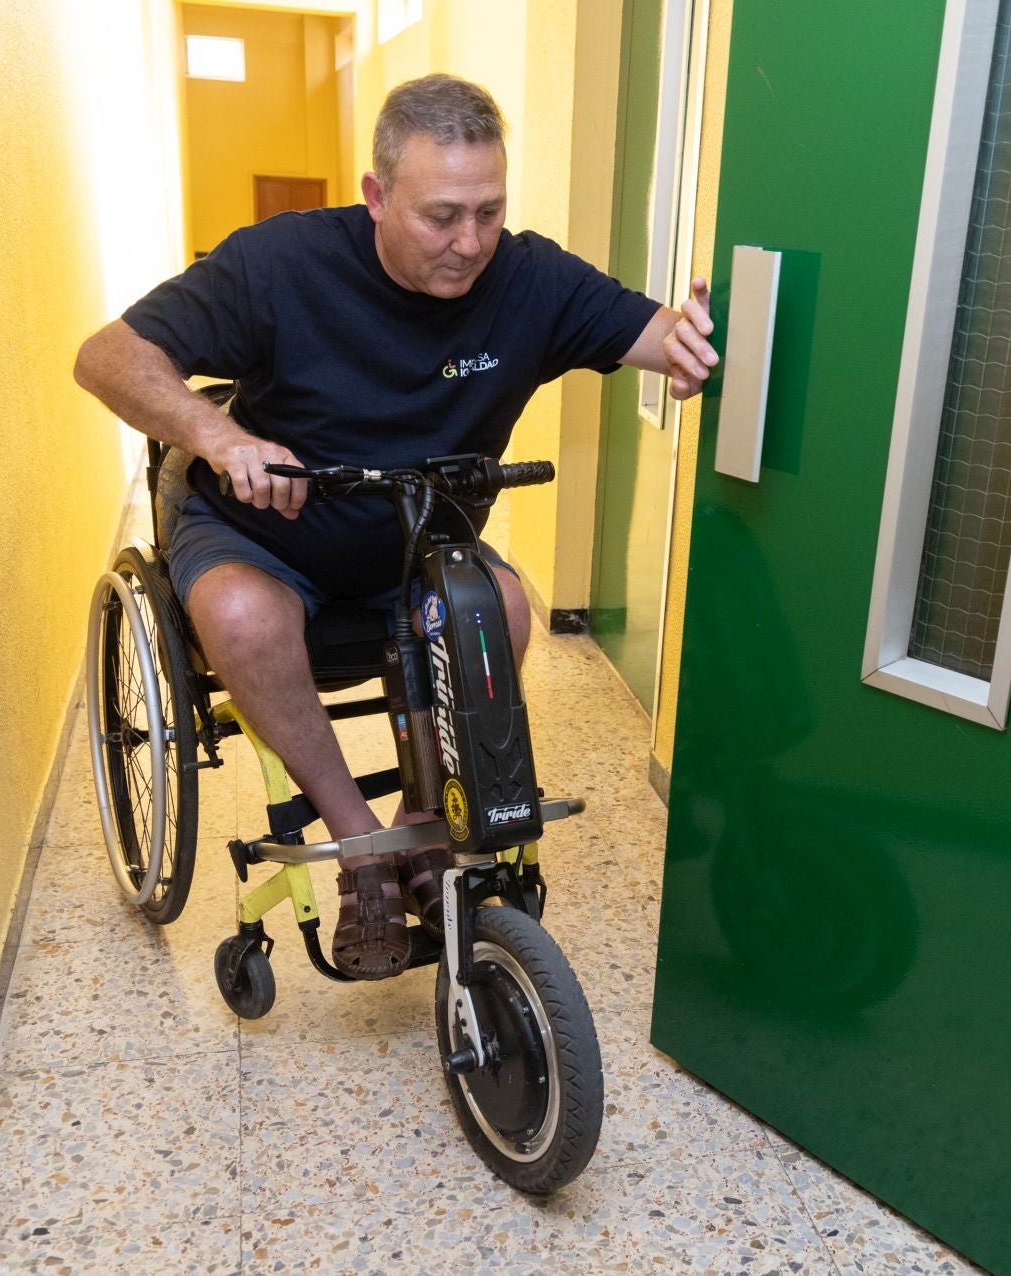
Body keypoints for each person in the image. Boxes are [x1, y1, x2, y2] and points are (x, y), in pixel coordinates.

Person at [73, 73, 717, 979]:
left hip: (417, 542)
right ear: (376, 196)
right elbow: (104, 358)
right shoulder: (281, 265)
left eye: (489, 212)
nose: (470, 243)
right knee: (245, 620)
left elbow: (651, 336)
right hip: (266, 534)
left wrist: (688, 343)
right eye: (441, 215)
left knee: (501, 603)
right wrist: (221, 436)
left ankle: (427, 827)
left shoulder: (526, 278)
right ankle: (360, 845)